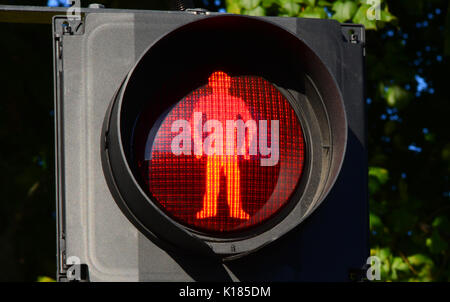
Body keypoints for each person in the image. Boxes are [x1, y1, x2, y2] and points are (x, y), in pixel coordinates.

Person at [191, 71, 253, 220]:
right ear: (211, 84)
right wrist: (199, 146)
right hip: (213, 149)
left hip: (230, 150)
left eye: (224, 81)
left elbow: (250, 124)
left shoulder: (237, 101)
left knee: (233, 182)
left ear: (229, 83)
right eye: (217, 82)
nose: (221, 85)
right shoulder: (204, 101)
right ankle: (209, 209)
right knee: (212, 182)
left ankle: (236, 210)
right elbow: (194, 123)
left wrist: (245, 146)